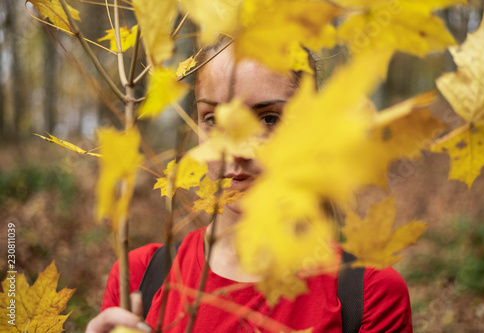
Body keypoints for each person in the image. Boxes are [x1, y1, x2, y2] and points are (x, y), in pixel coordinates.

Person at [86, 41, 413, 333]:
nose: (235, 150)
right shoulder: (140, 278)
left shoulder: (367, 296)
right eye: (212, 119)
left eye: (269, 119)